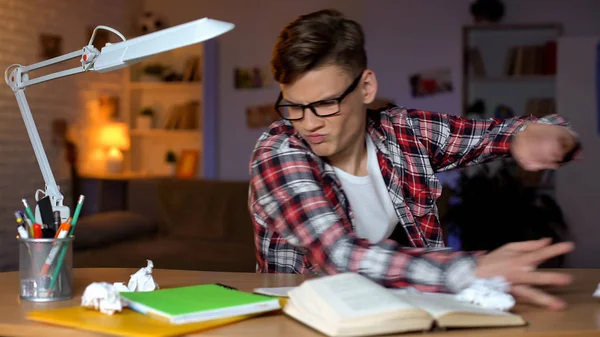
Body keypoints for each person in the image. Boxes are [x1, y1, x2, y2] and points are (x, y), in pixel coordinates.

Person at [248, 8, 581, 311]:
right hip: (306, 319)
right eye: (294, 106)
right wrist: (472, 270)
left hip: (408, 309)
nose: (308, 122)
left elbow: (506, 131)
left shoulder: (404, 131)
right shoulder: (279, 151)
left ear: (366, 87)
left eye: (325, 104)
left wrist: (547, 135)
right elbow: (339, 255)